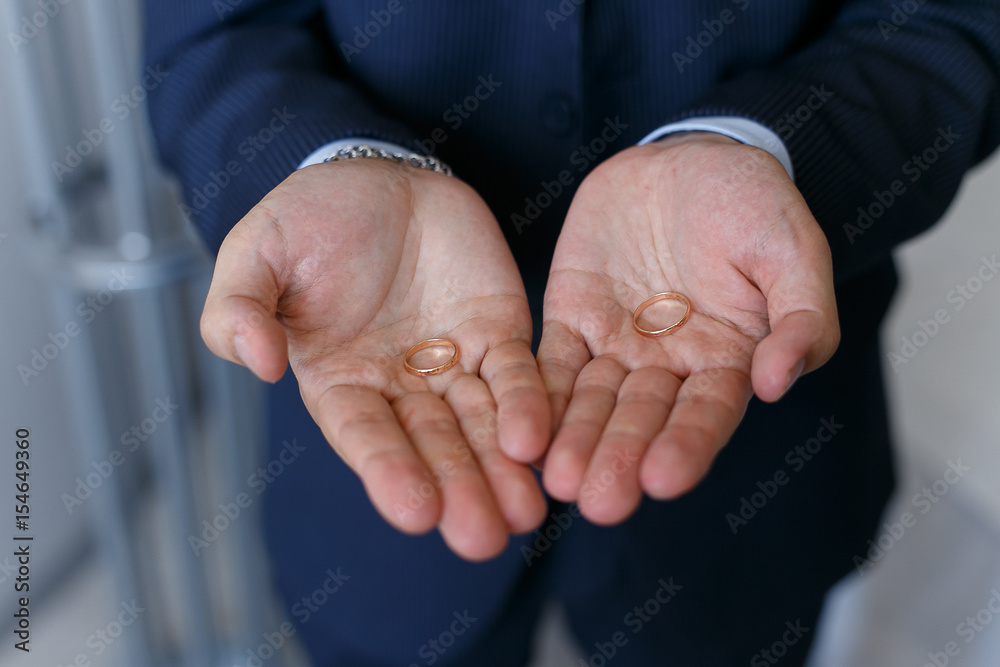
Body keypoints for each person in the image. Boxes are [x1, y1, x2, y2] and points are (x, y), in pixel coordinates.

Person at [144, 2, 999, 664]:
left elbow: (952, 18)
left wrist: (762, 150)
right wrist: (319, 159)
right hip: (378, 448)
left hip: (745, 465)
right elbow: (208, 35)